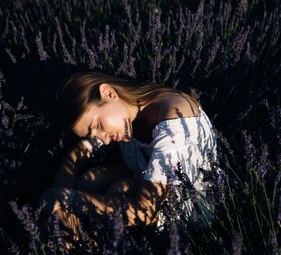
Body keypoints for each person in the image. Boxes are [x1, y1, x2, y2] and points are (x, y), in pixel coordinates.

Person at [39, 71, 220, 246]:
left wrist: (71, 199)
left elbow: (145, 212)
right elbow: (74, 158)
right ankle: (77, 249)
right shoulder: (128, 110)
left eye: (96, 125)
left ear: (109, 93)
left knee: (116, 189)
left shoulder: (173, 123)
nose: (101, 138)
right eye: (91, 133)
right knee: (89, 180)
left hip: (187, 209)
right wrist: (59, 203)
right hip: (148, 182)